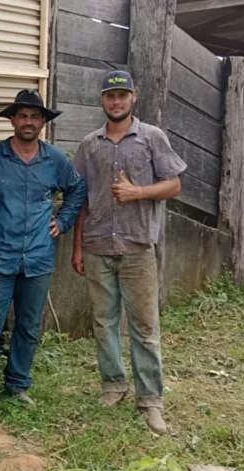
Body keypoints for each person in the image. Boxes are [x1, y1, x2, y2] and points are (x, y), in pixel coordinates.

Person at [0, 89, 88, 422]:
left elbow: (78, 190)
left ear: (44, 122)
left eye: (35, 116)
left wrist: (64, 220)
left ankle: (18, 385)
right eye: (22, 115)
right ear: (13, 119)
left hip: (38, 259)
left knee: (29, 327)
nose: (28, 122)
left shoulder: (55, 159)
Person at [71, 71, 187, 435]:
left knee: (145, 326)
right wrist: (77, 247)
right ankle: (113, 386)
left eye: (122, 95)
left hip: (138, 246)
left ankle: (150, 400)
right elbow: (80, 200)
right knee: (104, 322)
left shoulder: (151, 137)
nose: (116, 102)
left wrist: (138, 193)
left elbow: (175, 185)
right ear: (102, 100)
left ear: (134, 97)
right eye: (110, 96)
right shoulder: (89, 145)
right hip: (97, 246)